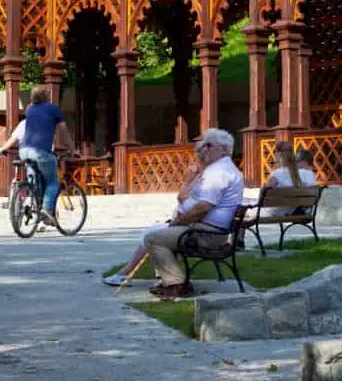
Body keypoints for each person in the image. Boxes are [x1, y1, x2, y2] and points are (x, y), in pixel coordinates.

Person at [142, 128, 244, 299]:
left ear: (224, 149)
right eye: (204, 145)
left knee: (152, 239)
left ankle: (175, 284)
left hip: (206, 234)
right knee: (161, 233)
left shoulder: (218, 172)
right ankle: (170, 280)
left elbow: (203, 207)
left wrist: (179, 221)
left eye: (209, 145)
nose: (204, 149)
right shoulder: (225, 169)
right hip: (211, 231)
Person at [103, 153, 205, 288]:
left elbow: (187, 205)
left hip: (188, 226)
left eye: (196, 162)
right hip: (182, 223)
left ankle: (126, 273)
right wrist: (189, 179)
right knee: (149, 232)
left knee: (150, 235)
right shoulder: (196, 181)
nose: (192, 166)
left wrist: (177, 216)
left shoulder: (203, 183)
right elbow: (182, 200)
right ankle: (155, 275)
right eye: (194, 162)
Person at [0, 86, 73, 229]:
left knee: (35, 183)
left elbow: (17, 136)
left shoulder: (30, 110)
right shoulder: (53, 108)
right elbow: (64, 130)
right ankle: (46, 210)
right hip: (41, 152)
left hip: (24, 151)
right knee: (53, 182)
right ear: (46, 96)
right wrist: (72, 148)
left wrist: (2, 148)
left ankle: (33, 203)